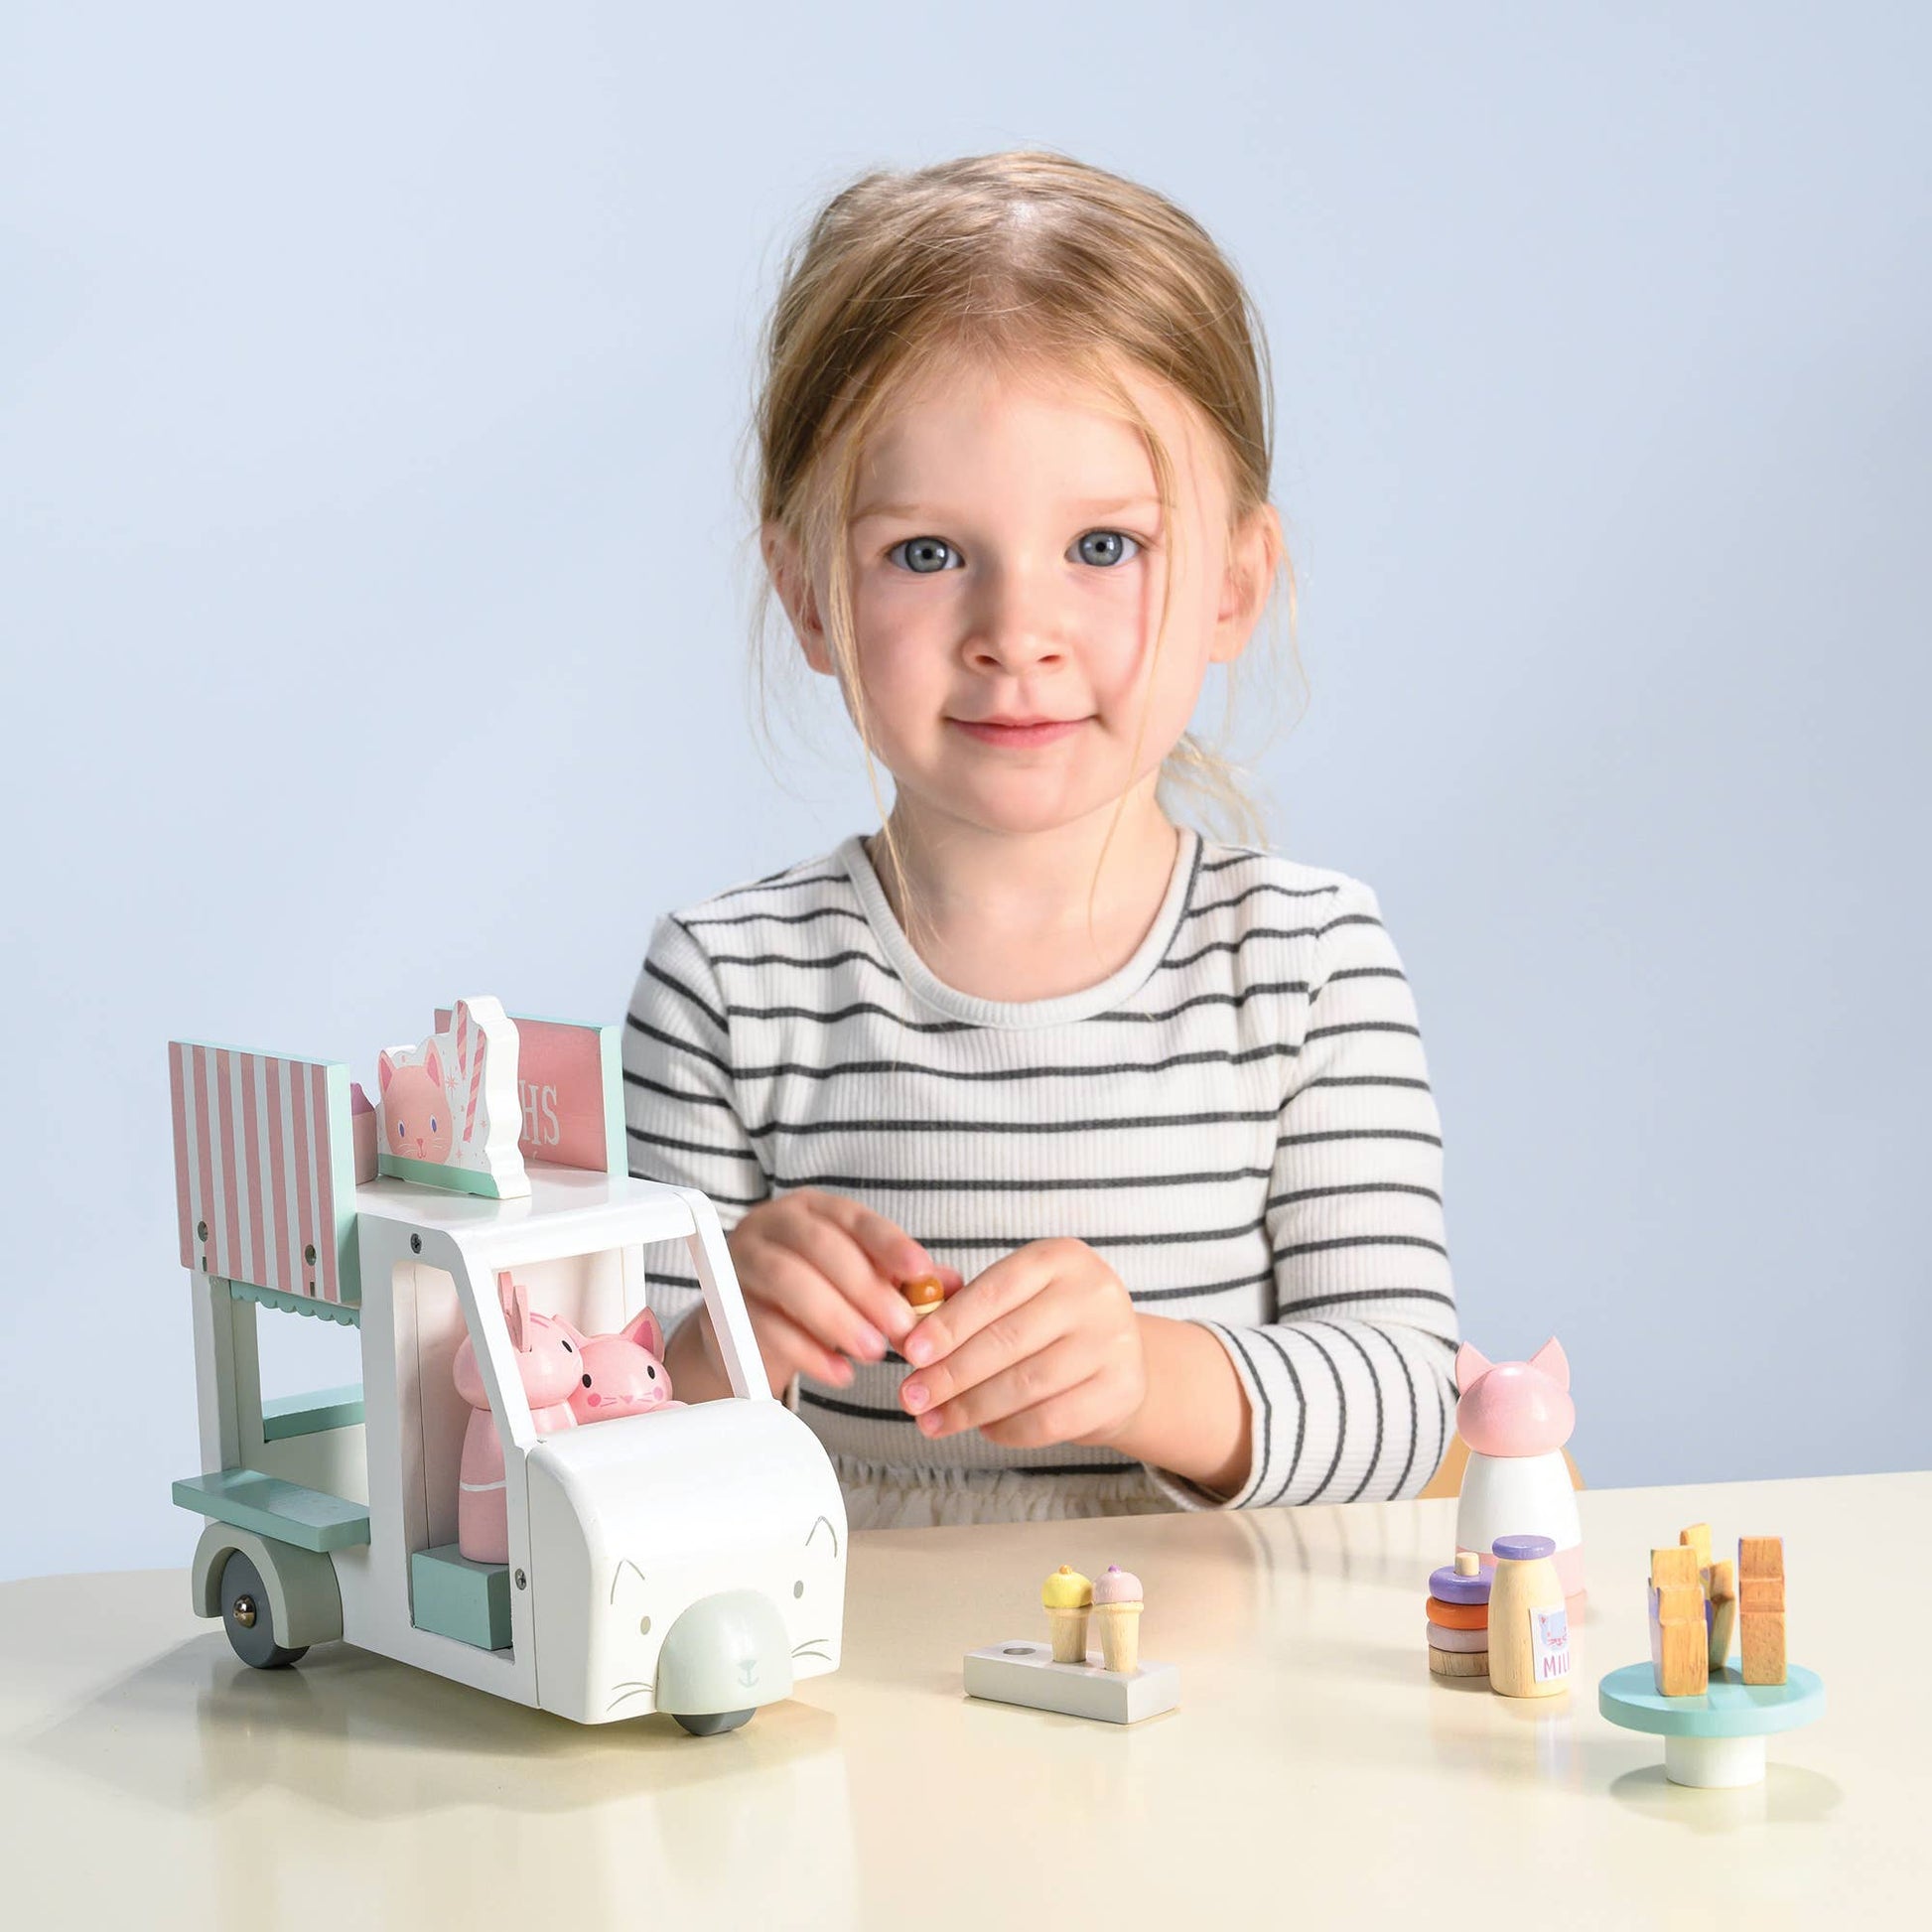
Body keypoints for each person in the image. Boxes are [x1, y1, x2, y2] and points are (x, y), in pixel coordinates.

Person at [624, 149, 1458, 1529]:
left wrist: (1146, 1377)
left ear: (1233, 587)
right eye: (927, 554)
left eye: (1105, 547)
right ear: (809, 594)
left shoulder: (1308, 964)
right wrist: (725, 1343)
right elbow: (610, 1436)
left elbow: (1397, 1397)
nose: (1017, 629)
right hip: (855, 1715)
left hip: (1208, 1710)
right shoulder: (726, 985)